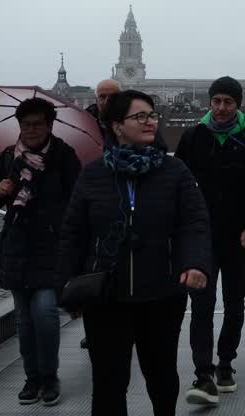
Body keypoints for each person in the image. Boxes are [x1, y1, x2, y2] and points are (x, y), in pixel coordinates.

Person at [57, 90, 211, 416]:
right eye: (140, 116)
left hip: (161, 295)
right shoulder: (94, 173)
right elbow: (73, 233)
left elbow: (194, 224)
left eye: (152, 115)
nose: (150, 122)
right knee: (109, 384)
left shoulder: (175, 172)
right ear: (116, 126)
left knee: (162, 379)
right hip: (106, 297)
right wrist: (67, 289)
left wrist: (195, 264)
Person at [174, 77, 245, 405]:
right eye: (216, 101)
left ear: (238, 104)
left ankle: (226, 362)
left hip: (237, 236)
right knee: (201, 305)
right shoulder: (193, 137)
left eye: (227, 102)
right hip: (201, 237)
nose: (221, 108)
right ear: (209, 102)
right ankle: (203, 374)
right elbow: (181, 188)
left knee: (234, 302)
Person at [0, 97, 81, 406]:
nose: (32, 130)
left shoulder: (64, 157)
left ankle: (49, 376)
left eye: (38, 124)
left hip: (52, 247)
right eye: (26, 125)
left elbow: (78, 201)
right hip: (18, 247)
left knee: (46, 314)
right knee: (24, 321)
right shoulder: (8, 157)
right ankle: (32, 378)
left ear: (50, 125)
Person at [86, 78, 168, 151]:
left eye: (113, 96)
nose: (107, 100)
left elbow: (159, 147)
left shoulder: (141, 121)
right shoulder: (84, 120)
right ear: (96, 100)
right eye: (102, 96)